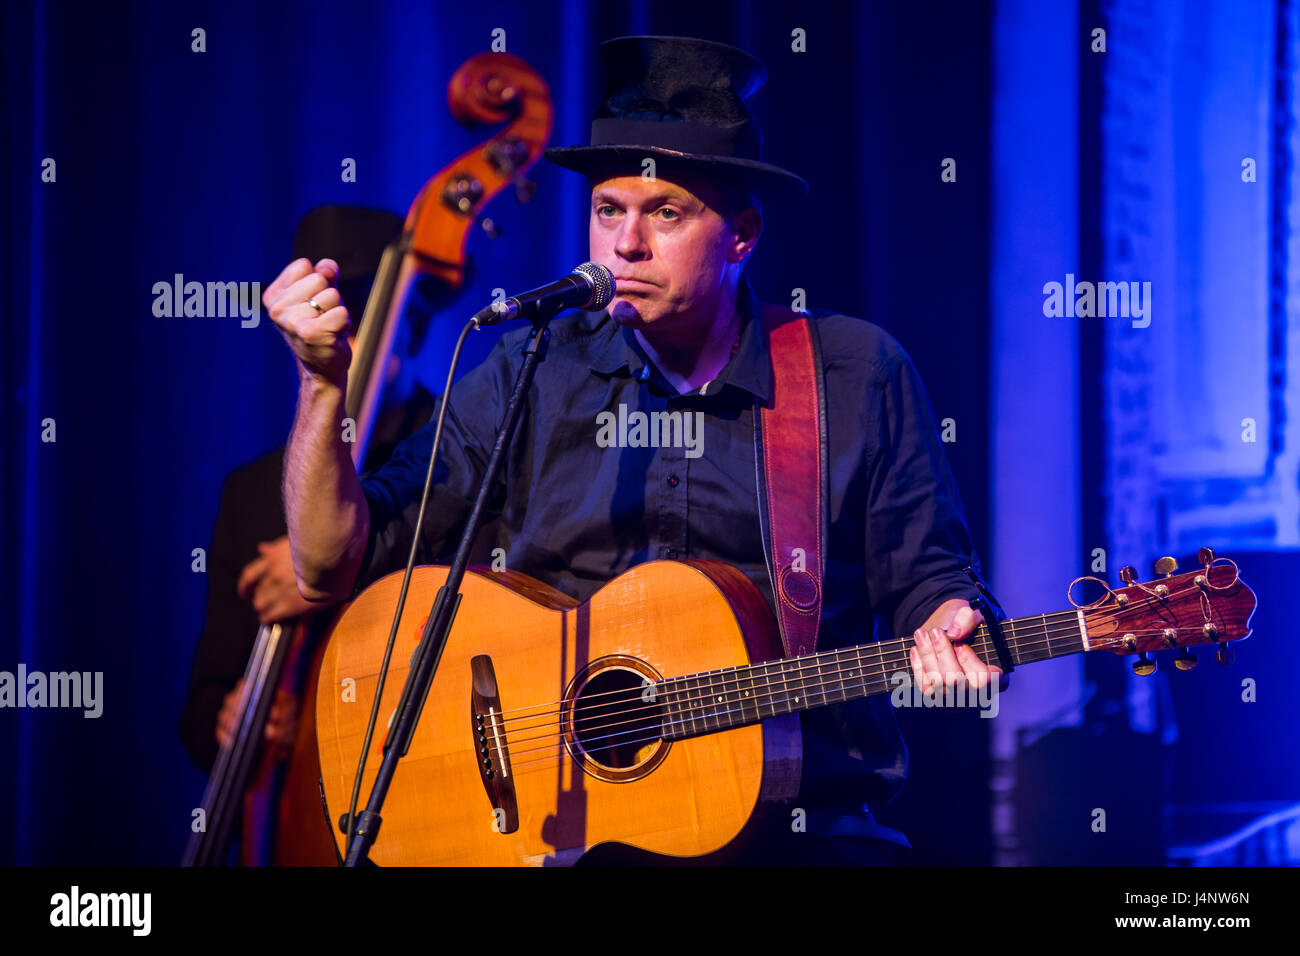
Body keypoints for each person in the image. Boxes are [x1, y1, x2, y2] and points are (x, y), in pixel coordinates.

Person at [264, 36, 1004, 865]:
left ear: (743, 234)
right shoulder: (531, 369)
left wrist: (949, 623)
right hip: (564, 835)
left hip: (799, 830)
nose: (624, 245)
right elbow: (327, 567)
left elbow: (933, 584)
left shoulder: (854, 373)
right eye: (609, 210)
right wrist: (323, 388)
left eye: (666, 213)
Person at [179, 204, 437, 780]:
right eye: (319, 313)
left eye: (361, 314)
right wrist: (228, 722)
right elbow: (199, 706)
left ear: (413, 324)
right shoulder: (251, 492)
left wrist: (331, 575)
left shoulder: (457, 446)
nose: (339, 336)